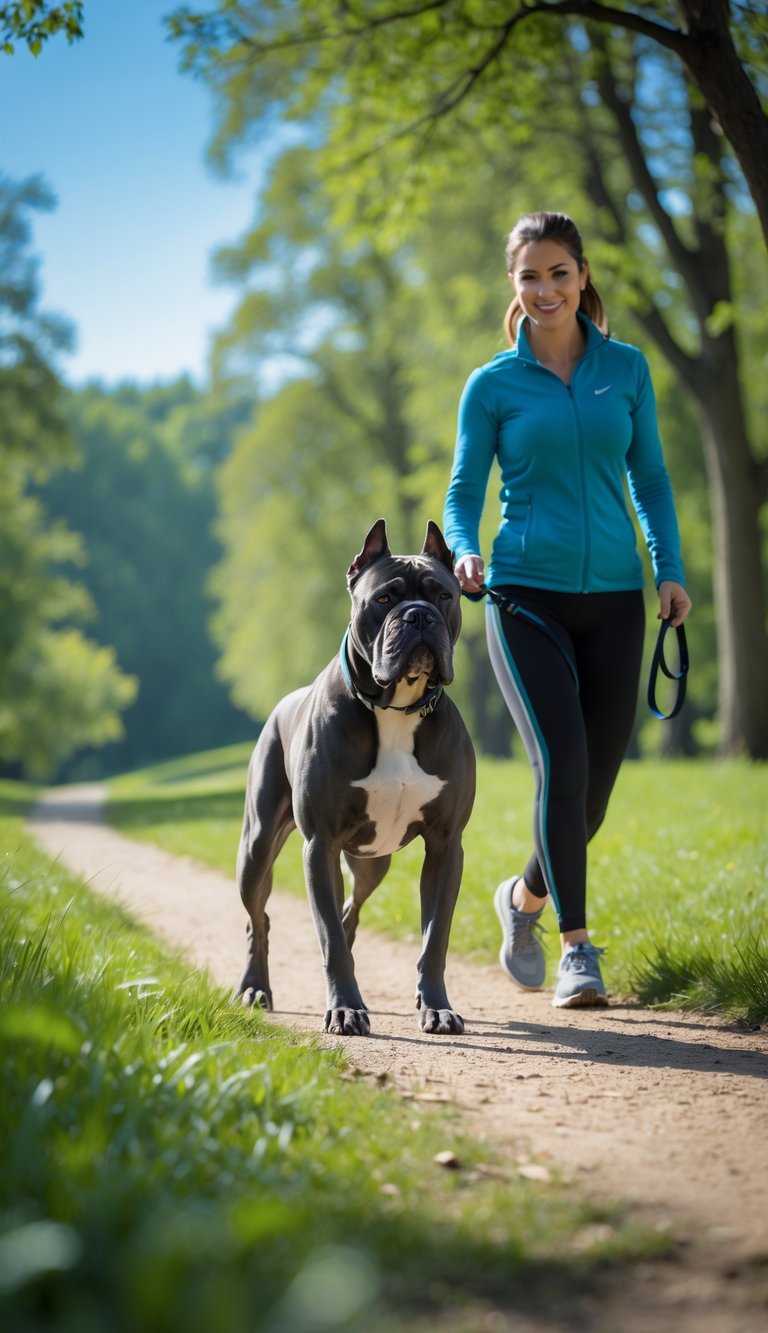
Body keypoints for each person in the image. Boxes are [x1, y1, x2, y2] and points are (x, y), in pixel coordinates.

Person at [443, 210, 692, 1008]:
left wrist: (669, 569)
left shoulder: (627, 368)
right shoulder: (492, 385)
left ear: (582, 275)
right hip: (523, 595)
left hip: (618, 598)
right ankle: (579, 950)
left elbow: (650, 478)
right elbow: (460, 493)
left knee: (595, 791)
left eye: (558, 272)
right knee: (564, 763)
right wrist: (465, 549)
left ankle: (522, 901)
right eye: (529, 276)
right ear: (513, 285)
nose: (545, 289)